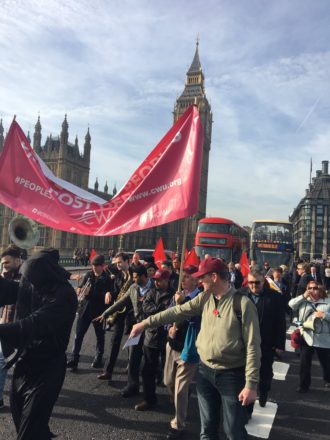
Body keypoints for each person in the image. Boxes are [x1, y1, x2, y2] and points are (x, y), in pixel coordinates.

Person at [130, 257, 261, 440]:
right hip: (205, 372)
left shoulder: (244, 305)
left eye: (203, 277)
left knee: (233, 431)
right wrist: (144, 323)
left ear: (214, 277)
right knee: (207, 430)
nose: (199, 281)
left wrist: (251, 385)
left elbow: (253, 347)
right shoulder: (205, 297)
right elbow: (177, 311)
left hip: (231, 375)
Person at [0, 248, 77, 440]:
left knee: (29, 432)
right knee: (23, 424)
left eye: (30, 278)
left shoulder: (65, 295)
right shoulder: (34, 284)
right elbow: (9, 289)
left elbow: (32, 326)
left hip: (47, 370)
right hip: (24, 365)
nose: (27, 283)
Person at [94, 265, 156, 399]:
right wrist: (105, 313)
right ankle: (132, 386)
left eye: (135, 278)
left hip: (152, 328)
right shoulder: (133, 288)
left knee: (149, 361)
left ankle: (150, 392)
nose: (133, 280)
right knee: (133, 356)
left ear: (144, 276)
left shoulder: (155, 288)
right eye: (133, 278)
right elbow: (121, 302)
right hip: (137, 327)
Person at [240, 267, 286, 414]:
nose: (254, 286)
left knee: (265, 374)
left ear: (263, 281)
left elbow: (280, 322)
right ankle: (247, 407)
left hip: (266, 343)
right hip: (244, 343)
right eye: (251, 283)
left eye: (257, 283)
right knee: (244, 374)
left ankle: (264, 391)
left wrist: (279, 344)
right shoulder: (240, 295)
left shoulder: (275, 297)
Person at [163, 265, 200, 440]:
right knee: (168, 381)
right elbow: (167, 315)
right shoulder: (177, 295)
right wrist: (169, 326)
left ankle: (178, 425)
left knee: (179, 390)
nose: (181, 280)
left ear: (195, 280)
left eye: (185, 277)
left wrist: (181, 304)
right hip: (172, 345)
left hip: (187, 347)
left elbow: (193, 317)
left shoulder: (199, 298)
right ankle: (181, 399)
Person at [67, 254, 112, 371]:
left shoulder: (107, 279)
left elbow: (105, 297)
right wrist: (79, 289)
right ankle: (74, 359)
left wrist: (90, 293)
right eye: (93, 265)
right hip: (84, 310)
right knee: (78, 335)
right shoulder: (88, 275)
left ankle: (98, 357)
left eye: (97, 266)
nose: (94, 268)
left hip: (98, 312)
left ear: (103, 266)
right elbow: (82, 287)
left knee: (99, 335)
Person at [289, 281, 330, 393]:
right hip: (307, 336)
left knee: (326, 362)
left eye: (315, 288)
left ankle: (328, 379)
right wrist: (303, 296)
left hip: (323, 338)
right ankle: (303, 385)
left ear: (320, 289)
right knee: (304, 363)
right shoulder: (304, 301)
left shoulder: (327, 302)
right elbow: (291, 305)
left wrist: (324, 315)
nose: (312, 290)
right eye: (309, 288)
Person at [97, 252, 133, 382]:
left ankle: (132, 375)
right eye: (116, 262)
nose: (117, 265)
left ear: (127, 261)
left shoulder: (134, 275)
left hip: (132, 313)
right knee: (114, 341)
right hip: (120, 311)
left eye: (119, 262)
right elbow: (115, 291)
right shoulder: (118, 276)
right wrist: (109, 293)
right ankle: (108, 371)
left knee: (133, 344)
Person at [0, 246, 21, 410]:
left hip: (18, 327)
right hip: (3, 324)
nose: (4, 265)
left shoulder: (25, 276)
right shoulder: (4, 275)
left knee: (4, 362)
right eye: (2, 263)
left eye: (7, 262)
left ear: (17, 261)